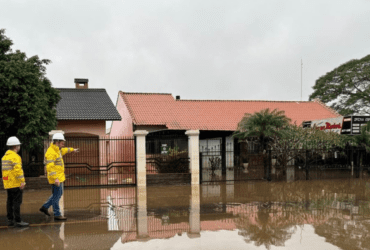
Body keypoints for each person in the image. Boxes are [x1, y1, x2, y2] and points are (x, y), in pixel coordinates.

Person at [39, 133, 79, 220]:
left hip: (59, 177)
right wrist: (55, 178)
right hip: (55, 178)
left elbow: (65, 150)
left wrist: (73, 150)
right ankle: (57, 214)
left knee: (58, 194)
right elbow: (50, 167)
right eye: (62, 142)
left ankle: (45, 207)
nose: (63, 144)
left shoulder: (58, 150)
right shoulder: (51, 152)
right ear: (57, 142)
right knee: (57, 196)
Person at [1, 136, 29, 227]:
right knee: (17, 202)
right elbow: (18, 171)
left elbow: (4, 172)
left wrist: (6, 182)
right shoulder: (16, 157)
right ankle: (18, 220)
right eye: (18, 145)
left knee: (9, 201)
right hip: (15, 183)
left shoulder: (4, 157)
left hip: (8, 183)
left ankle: (10, 220)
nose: (19, 147)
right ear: (15, 146)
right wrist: (22, 182)